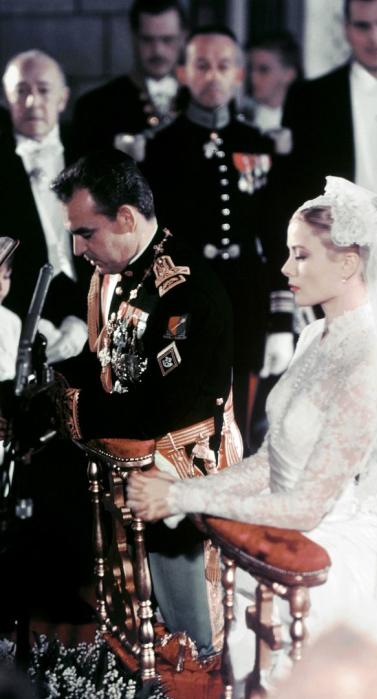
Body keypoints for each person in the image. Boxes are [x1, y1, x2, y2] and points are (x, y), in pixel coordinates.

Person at [127, 176, 377, 684]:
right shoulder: (316, 334)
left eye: (300, 256)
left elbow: (307, 506)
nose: (284, 269)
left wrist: (187, 498)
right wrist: (183, 490)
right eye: (287, 253)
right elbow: (271, 462)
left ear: (347, 263)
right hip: (285, 523)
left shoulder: (368, 357)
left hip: (330, 544)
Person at [48, 149, 241, 654]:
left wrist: (72, 408)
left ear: (126, 218)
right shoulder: (109, 275)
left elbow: (162, 405)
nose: (76, 245)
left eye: (86, 231)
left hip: (185, 475)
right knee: (140, 624)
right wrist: (52, 379)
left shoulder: (188, 289)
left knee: (196, 638)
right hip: (130, 472)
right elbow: (106, 360)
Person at [139, 25, 293, 446]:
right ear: (184, 73)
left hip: (247, 295)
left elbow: (278, 235)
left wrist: (282, 319)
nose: (213, 75)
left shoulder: (256, 144)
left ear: (239, 75)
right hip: (186, 293)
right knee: (185, 416)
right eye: (202, 65)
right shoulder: (160, 148)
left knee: (240, 421)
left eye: (224, 66)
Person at [1, 50, 90, 361]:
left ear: (63, 98)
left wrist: (84, 320)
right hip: (16, 322)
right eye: (21, 91)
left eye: (43, 90)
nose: (31, 101)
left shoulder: (89, 151)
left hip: (92, 312)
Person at [279, 0, 377, 211]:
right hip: (333, 239)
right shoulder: (308, 98)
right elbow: (290, 187)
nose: (375, 38)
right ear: (346, 29)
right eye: (362, 26)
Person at [73, 0, 187, 155]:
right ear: (133, 38)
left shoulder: (201, 101)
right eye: (147, 40)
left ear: (183, 37)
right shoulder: (94, 107)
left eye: (167, 39)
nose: (158, 50)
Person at [242, 31, 301, 133]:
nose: (253, 78)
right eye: (251, 69)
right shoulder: (242, 118)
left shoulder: (304, 122)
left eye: (264, 70)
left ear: (289, 75)